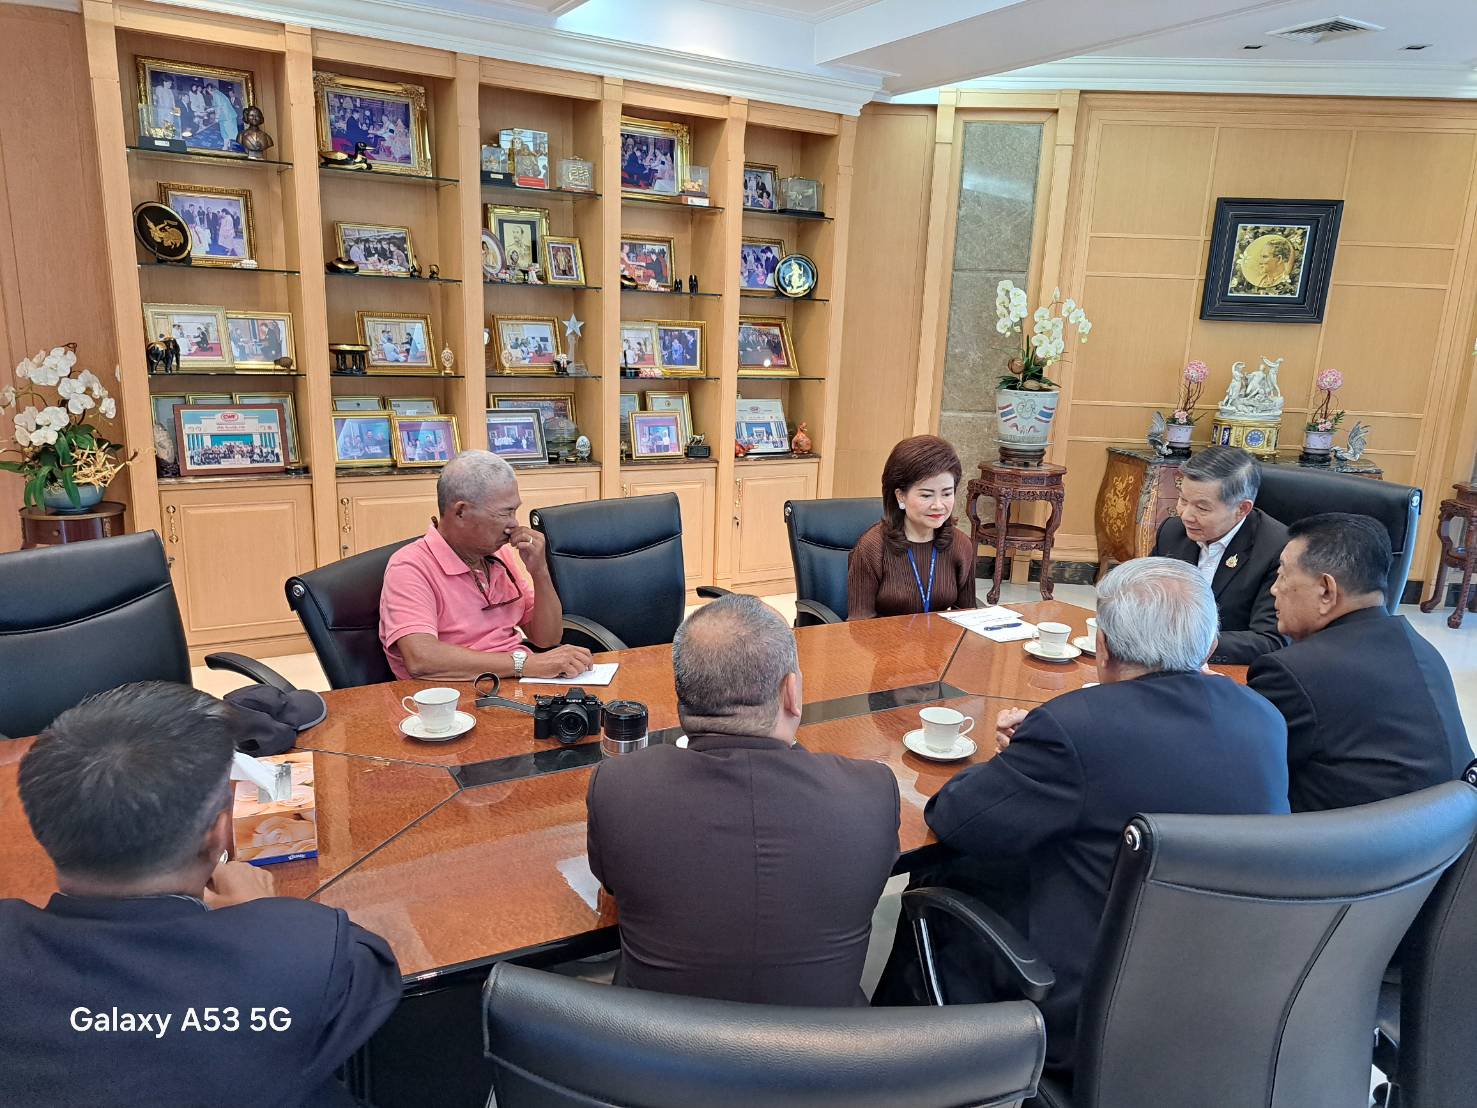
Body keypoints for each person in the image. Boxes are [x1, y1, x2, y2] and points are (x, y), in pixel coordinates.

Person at [918, 558, 1289, 1066]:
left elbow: (956, 819)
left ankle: (920, 1064)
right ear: (1209, 648)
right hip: (1232, 998)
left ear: (1104, 646)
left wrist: (1017, 761)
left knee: (941, 877)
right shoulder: (1264, 719)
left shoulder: (1075, 727)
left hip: (1092, 1008)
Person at [0, 682, 401, 1107]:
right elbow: (373, 981)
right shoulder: (309, 952)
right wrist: (262, 917)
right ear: (219, 833)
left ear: (40, 827)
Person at [586, 595, 899, 1006]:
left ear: (682, 697)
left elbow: (611, 890)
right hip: (825, 1041)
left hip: (659, 1040)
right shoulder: (872, 792)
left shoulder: (618, 786)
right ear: (792, 693)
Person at [1249, 513, 1470, 812]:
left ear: (1326, 591)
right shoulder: (1423, 650)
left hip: (1339, 838)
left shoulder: (1293, 672)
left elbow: (1237, 760)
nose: (1274, 589)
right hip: (1446, 834)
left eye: (1283, 575)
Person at [379, 450, 592, 681]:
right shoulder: (409, 567)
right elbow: (422, 659)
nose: (514, 524)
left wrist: (540, 571)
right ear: (460, 512)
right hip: (456, 695)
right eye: (504, 513)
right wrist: (525, 664)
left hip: (515, 684)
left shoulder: (498, 554)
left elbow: (547, 639)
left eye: (514, 511)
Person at [1151, 445, 1288, 663]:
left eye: (1202, 508)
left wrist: (1185, 644)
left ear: (1242, 509)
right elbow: (1146, 597)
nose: (1186, 515)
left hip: (1231, 670)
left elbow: (1270, 640)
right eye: (1183, 500)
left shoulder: (1280, 551)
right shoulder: (1172, 531)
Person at [847, 435, 977, 619]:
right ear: (900, 496)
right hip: (883, 638)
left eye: (947, 493)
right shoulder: (872, 548)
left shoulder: (961, 545)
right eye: (926, 495)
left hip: (941, 638)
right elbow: (859, 625)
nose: (938, 505)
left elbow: (968, 617)